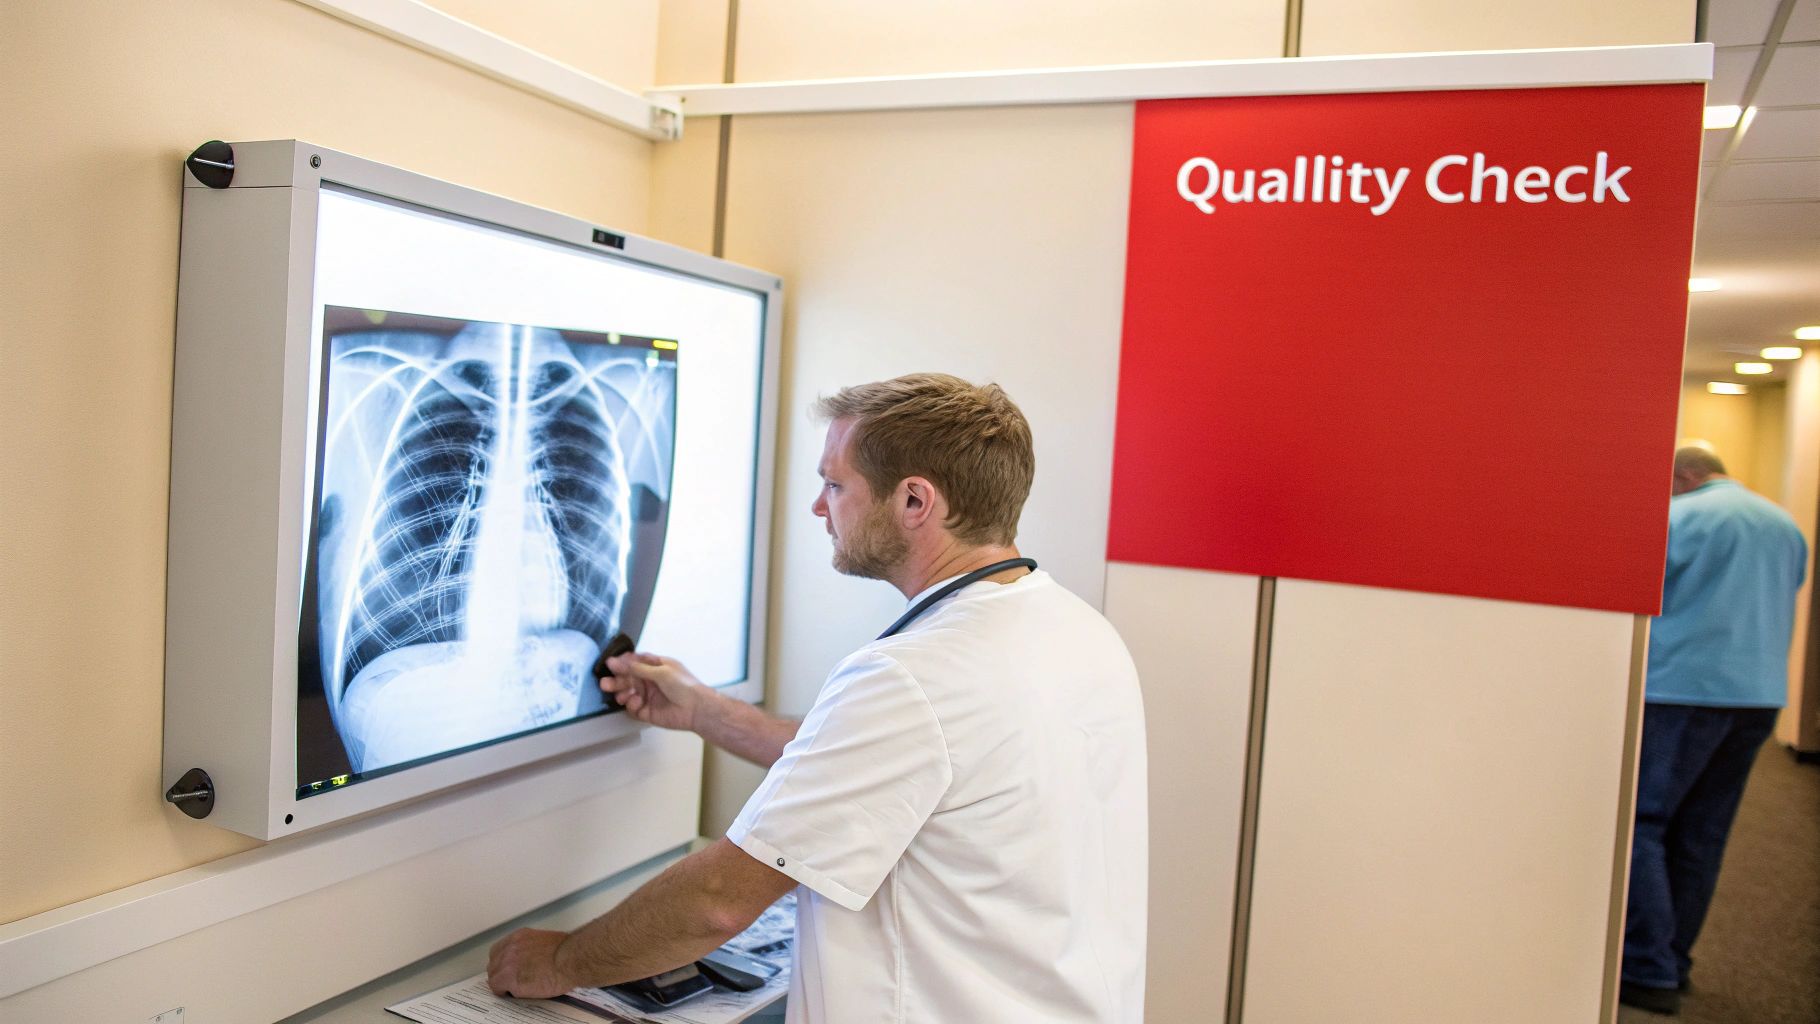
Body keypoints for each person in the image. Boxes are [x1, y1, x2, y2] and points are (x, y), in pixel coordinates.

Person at [487, 373, 1149, 1023]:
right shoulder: (1076, 629)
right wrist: (705, 711)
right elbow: (896, 763)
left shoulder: (915, 675)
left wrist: (564, 960)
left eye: (835, 484)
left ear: (915, 502)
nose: (818, 506)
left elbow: (718, 900)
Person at [1620, 445, 1808, 1015]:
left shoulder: (1679, 518)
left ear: (1684, 478)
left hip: (1683, 690)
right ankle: (1674, 960)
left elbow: (1643, 597)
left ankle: (1646, 968)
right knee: (1703, 833)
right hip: (1759, 695)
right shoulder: (1784, 524)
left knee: (1646, 822)